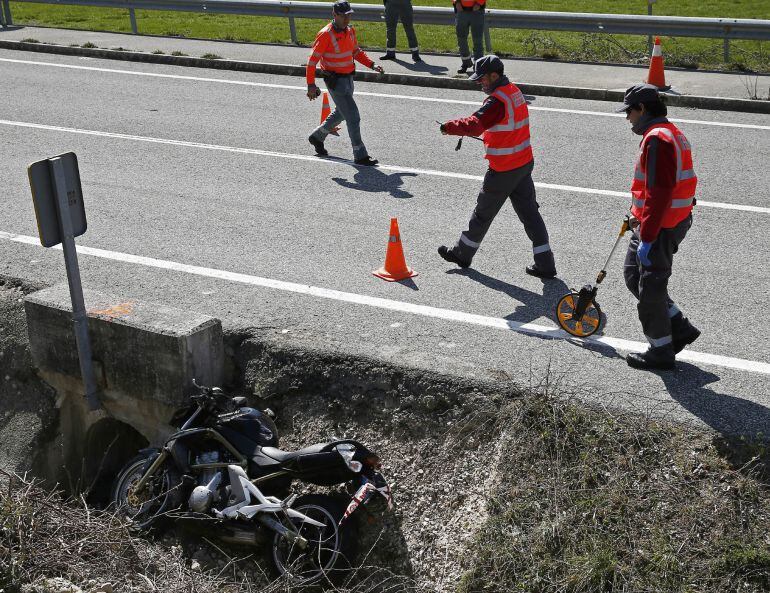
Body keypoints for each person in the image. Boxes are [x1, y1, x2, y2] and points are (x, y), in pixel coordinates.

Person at [437, 55, 557, 279]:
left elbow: (475, 125)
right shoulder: (514, 91)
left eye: (482, 79)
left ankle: (462, 254)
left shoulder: (497, 101)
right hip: (523, 162)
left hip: (503, 169)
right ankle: (546, 264)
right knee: (531, 214)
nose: (479, 83)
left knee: (482, 213)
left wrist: (449, 127)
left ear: (494, 76)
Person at [618, 84, 700, 370]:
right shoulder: (668, 132)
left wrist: (649, 237)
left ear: (642, 109)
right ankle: (680, 327)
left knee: (650, 288)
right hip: (659, 221)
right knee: (633, 275)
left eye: (629, 112)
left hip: (661, 226)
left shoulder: (658, 140)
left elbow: (660, 192)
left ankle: (661, 350)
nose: (627, 118)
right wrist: (637, 216)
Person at [306, 0, 384, 166]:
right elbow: (312, 62)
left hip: (348, 79)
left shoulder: (350, 30)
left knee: (341, 113)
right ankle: (360, 154)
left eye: (349, 15)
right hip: (335, 82)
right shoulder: (325, 34)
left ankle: (317, 136)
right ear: (334, 15)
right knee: (353, 116)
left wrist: (372, 65)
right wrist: (311, 85)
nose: (347, 19)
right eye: (343, 16)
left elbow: (356, 51)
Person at [453, 0, 486, 74]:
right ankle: (466, 62)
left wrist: (479, 3)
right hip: (461, 11)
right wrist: (457, 2)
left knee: (477, 40)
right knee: (461, 39)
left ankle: (478, 65)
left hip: (477, 11)